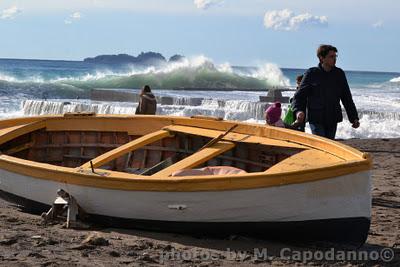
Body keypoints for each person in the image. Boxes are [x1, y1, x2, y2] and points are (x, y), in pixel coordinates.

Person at [292, 45, 360, 139]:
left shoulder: (339, 74)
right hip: (316, 118)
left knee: (329, 143)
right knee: (322, 143)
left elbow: (346, 97)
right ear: (322, 58)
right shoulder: (312, 73)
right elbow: (299, 96)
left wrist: (354, 118)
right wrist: (298, 111)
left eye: (335, 56)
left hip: (332, 118)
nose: (334, 59)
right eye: (331, 56)